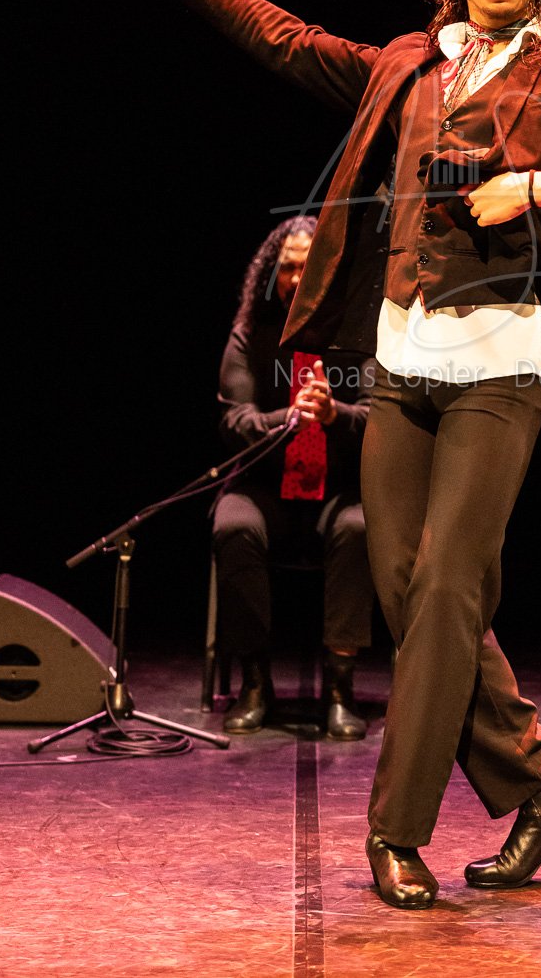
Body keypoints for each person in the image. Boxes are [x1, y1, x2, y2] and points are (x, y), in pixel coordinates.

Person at [113, 0, 541, 909]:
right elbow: (290, 43)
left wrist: (538, 188)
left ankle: (395, 830)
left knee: (449, 591)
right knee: (403, 591)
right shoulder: (407, 63)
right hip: (402, 353)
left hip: (502, 355)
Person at [214, 214, 376, 740]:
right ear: (271, 275)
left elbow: (378, 417)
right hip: (265, 487)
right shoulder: (250, 334)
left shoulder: (357, 333)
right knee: (232, 525)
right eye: (287, 267)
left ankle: (340, 689)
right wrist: (287, 420)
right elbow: (233, 420)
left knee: (360, 527)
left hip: (338, 488)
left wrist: (333, 414)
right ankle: (255, 683)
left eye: (309, 266)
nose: (297, 278)